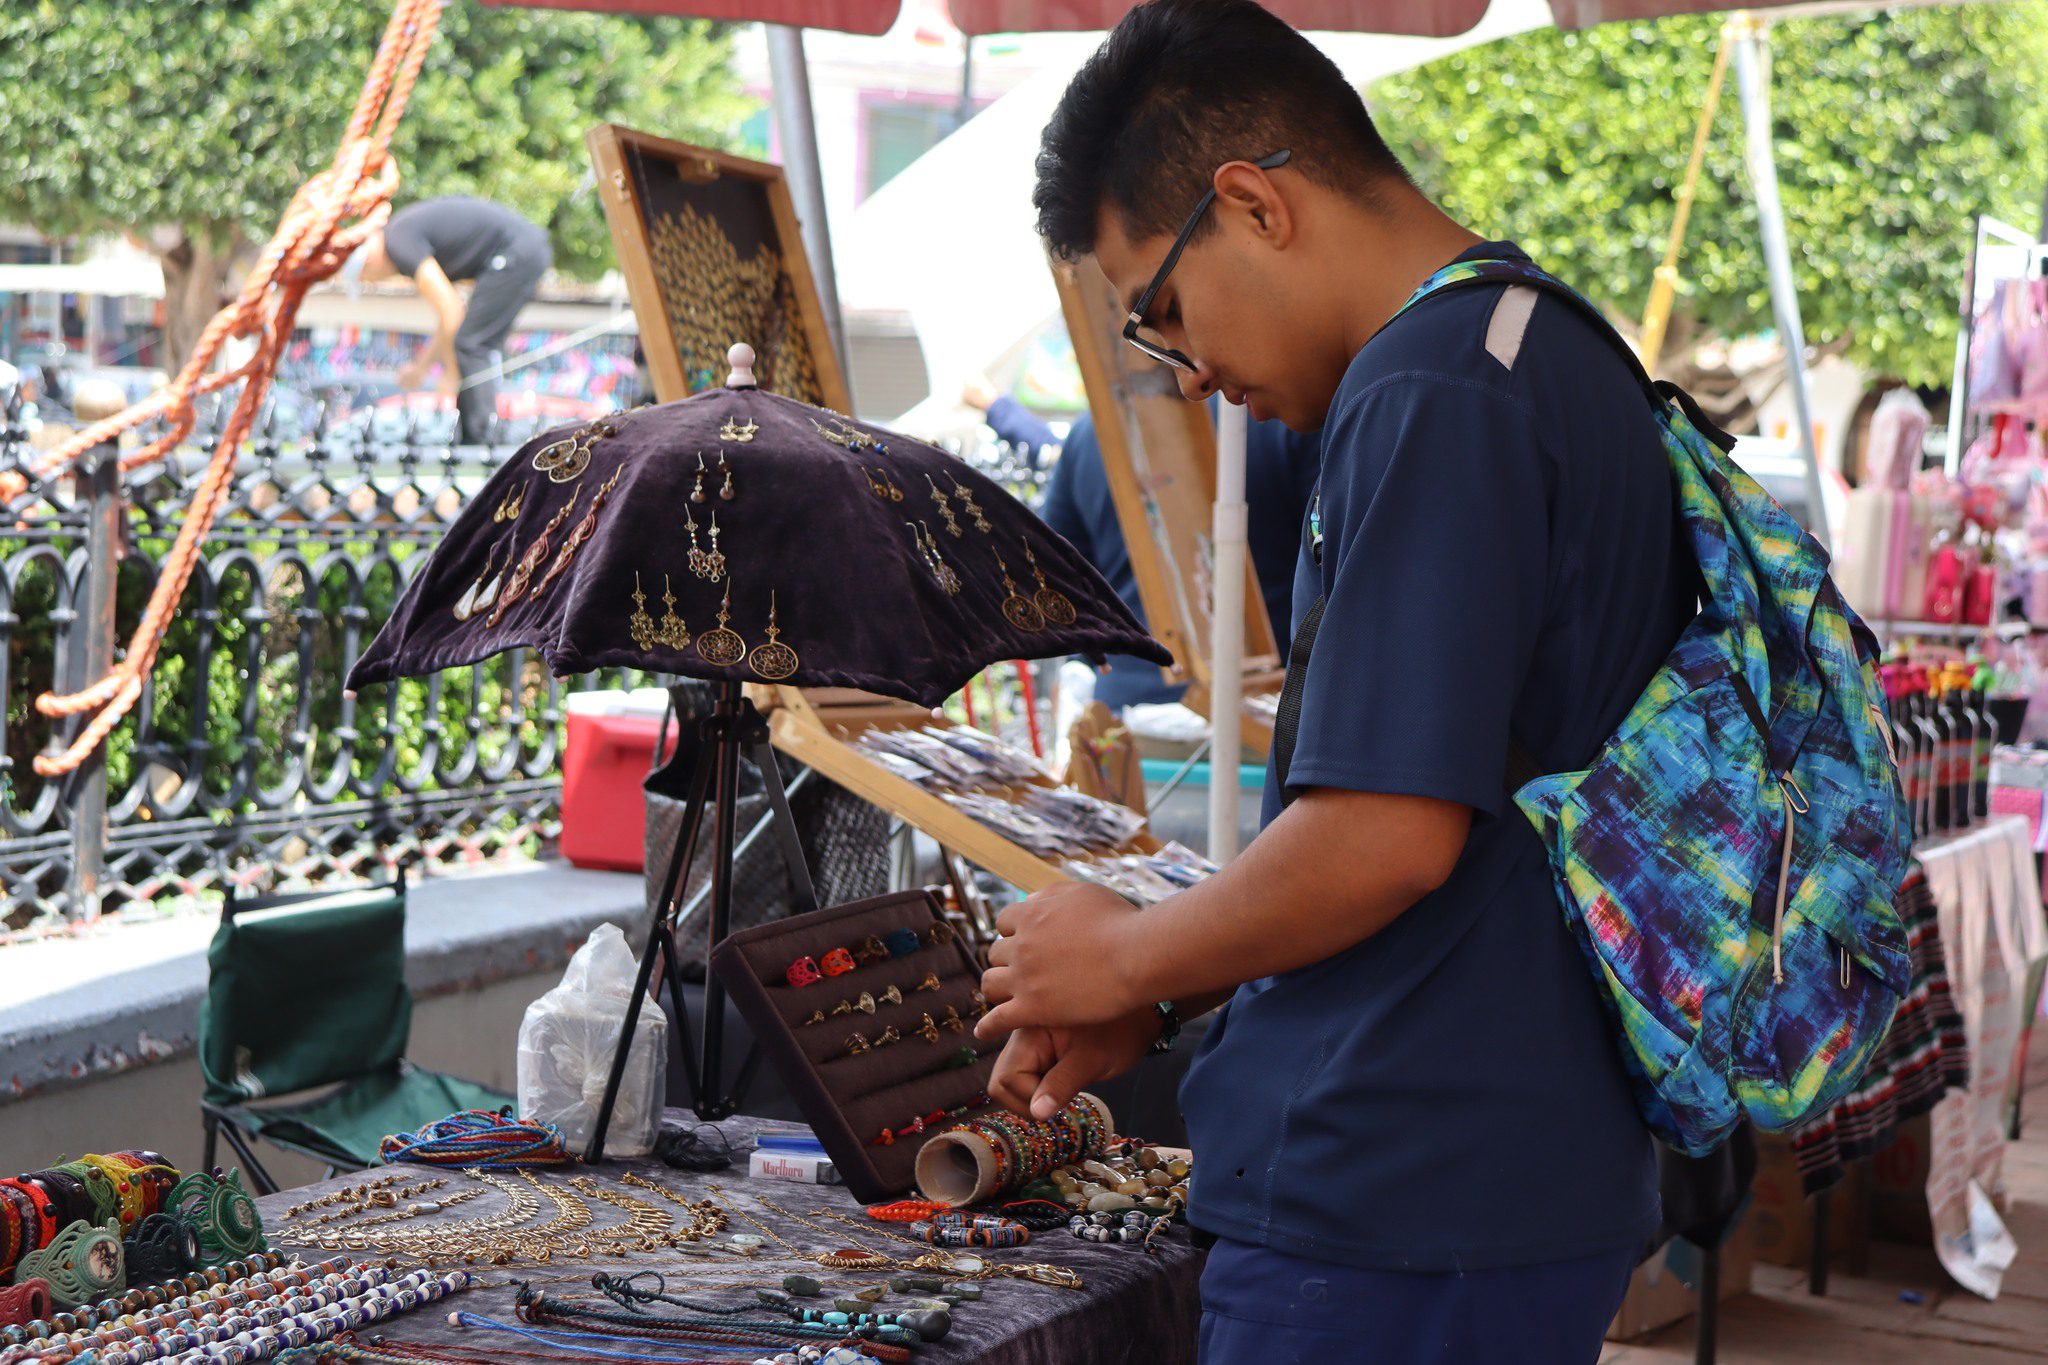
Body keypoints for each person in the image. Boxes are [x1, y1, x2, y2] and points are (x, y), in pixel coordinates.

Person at [973, 3, 1693, 1362]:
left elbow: (1383, 838)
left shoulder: (1433, 392)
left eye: (1167, 312)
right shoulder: (1540, 346)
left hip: (1405, 1191)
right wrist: (1165, 990)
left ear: (1252, 204)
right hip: (1495, 1168)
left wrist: (1125, 947)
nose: (1194, 373)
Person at [346, 197, 552, 444]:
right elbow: (450, 320)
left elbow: (451, 310)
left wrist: (450, 373)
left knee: (472, 344)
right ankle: (473, 435)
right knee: (471, 342)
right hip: (520, 250)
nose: (376, 281)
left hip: (518, 251)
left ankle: (481, 439)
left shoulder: (398, 242)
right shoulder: (402, 236)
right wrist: (423, 366)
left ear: (368, 262)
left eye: (368, 278)